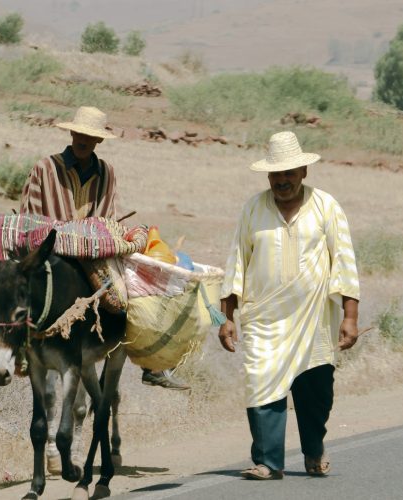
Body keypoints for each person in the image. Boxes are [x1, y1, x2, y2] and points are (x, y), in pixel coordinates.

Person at [218, 131, 360, 480]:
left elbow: (344, 261)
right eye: (276, 174)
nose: (282, 181)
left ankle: (314, 449)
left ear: (303, 172)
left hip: (315, 319)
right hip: (264, 318)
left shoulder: (326, 205)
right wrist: (227, 317)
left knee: (316, 392)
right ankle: (267, 462)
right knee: (261, 381)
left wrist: (350, 316)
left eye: (289, 173)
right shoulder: (253, 208)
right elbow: (237, 264)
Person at [19, 105, 189, 391]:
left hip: (95, 255)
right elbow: (29, 218)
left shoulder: (107, 172)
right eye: (80, 134)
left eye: (90, 136)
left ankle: (151, 365)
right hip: (53, 253)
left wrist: (107, 240)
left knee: (128, 298)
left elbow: (109, 218)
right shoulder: (44, 168)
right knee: (17, 298)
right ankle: (19, 353)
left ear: (99, 140)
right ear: (72, 133)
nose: (84, 140)